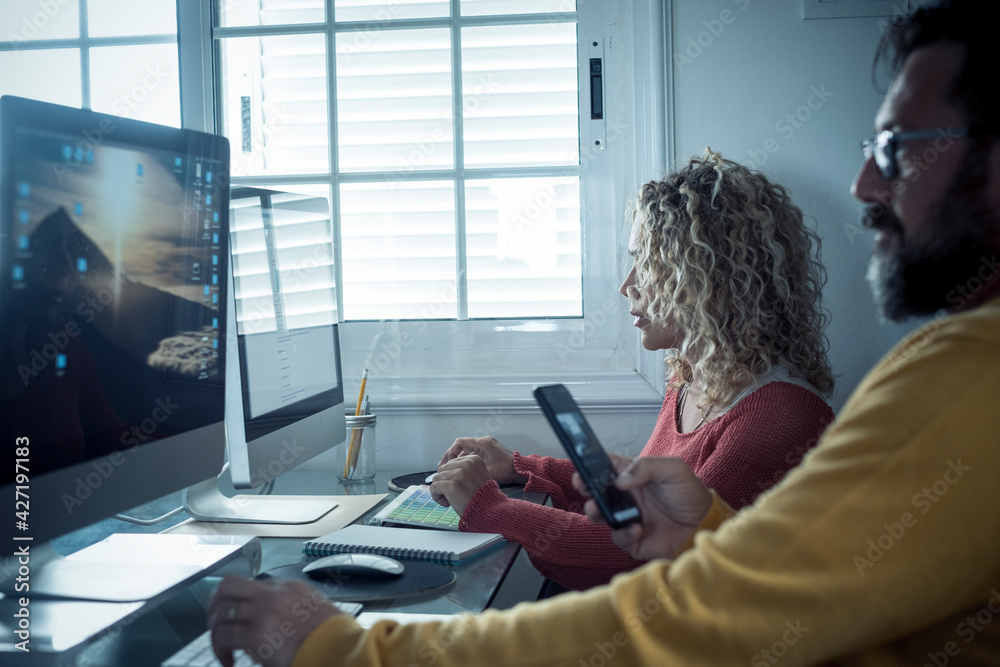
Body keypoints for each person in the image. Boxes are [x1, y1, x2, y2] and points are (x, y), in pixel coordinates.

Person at [208, 1, 1000, 664]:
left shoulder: (947, 379)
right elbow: (773, 580)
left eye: (898, 149)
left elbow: (691, 618)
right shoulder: (698, 380)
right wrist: (550, 477)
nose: (867, 181)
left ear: (702, 281)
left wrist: (345, 648)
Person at [429, 150, 835, 591]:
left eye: (648, 262)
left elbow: (627, 558)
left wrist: (486, 507)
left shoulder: (776, 417)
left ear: (703, 276)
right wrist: (519, 467)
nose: (627, 285)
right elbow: (631, 505)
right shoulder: (691, 376)